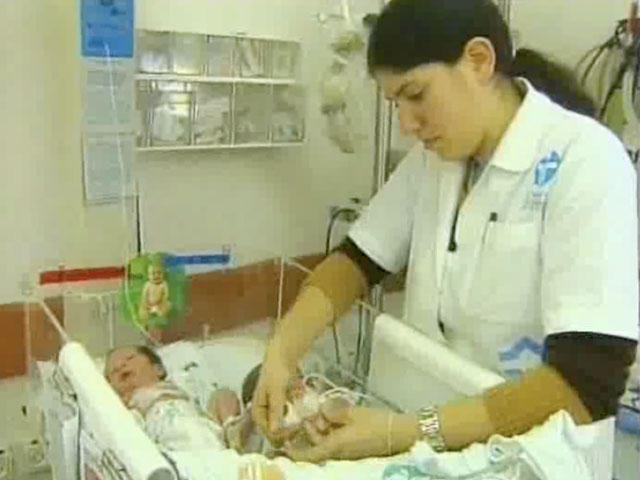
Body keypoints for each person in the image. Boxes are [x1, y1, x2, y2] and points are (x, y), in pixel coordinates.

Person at [252, 0, 639, 467]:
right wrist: (282, 351)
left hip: (531, 458)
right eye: (396, 104)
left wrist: (401, 432)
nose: (407, 125)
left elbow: (586, 383)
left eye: (416, 95)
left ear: (478, 60)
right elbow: (356, 261)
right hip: (432, 443)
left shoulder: (586, 161)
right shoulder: (435, 161)